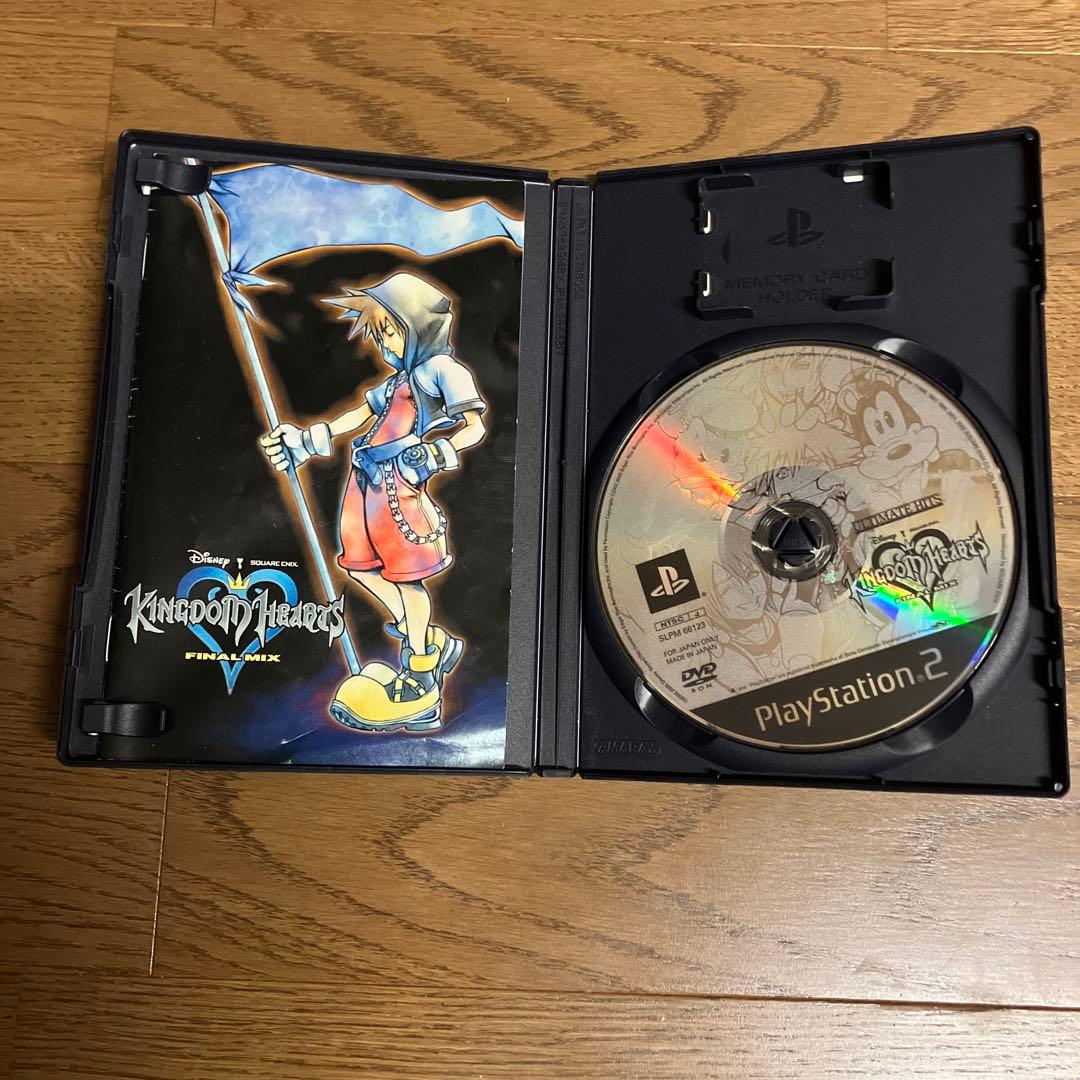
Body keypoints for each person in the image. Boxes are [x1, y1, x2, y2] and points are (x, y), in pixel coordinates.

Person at [260, 272, 486, 732]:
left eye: (390, 331)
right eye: (378, 333)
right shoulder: (397, 380)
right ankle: (430, 639)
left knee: (406, 577)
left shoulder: (443, 370)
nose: (383, 343)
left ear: (418, 326)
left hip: (400, 486)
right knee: (360, 566)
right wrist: (307, 439)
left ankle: (421, 674)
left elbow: (474, 427)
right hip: (364, 482)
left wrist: (435, 453)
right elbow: (360, 414)